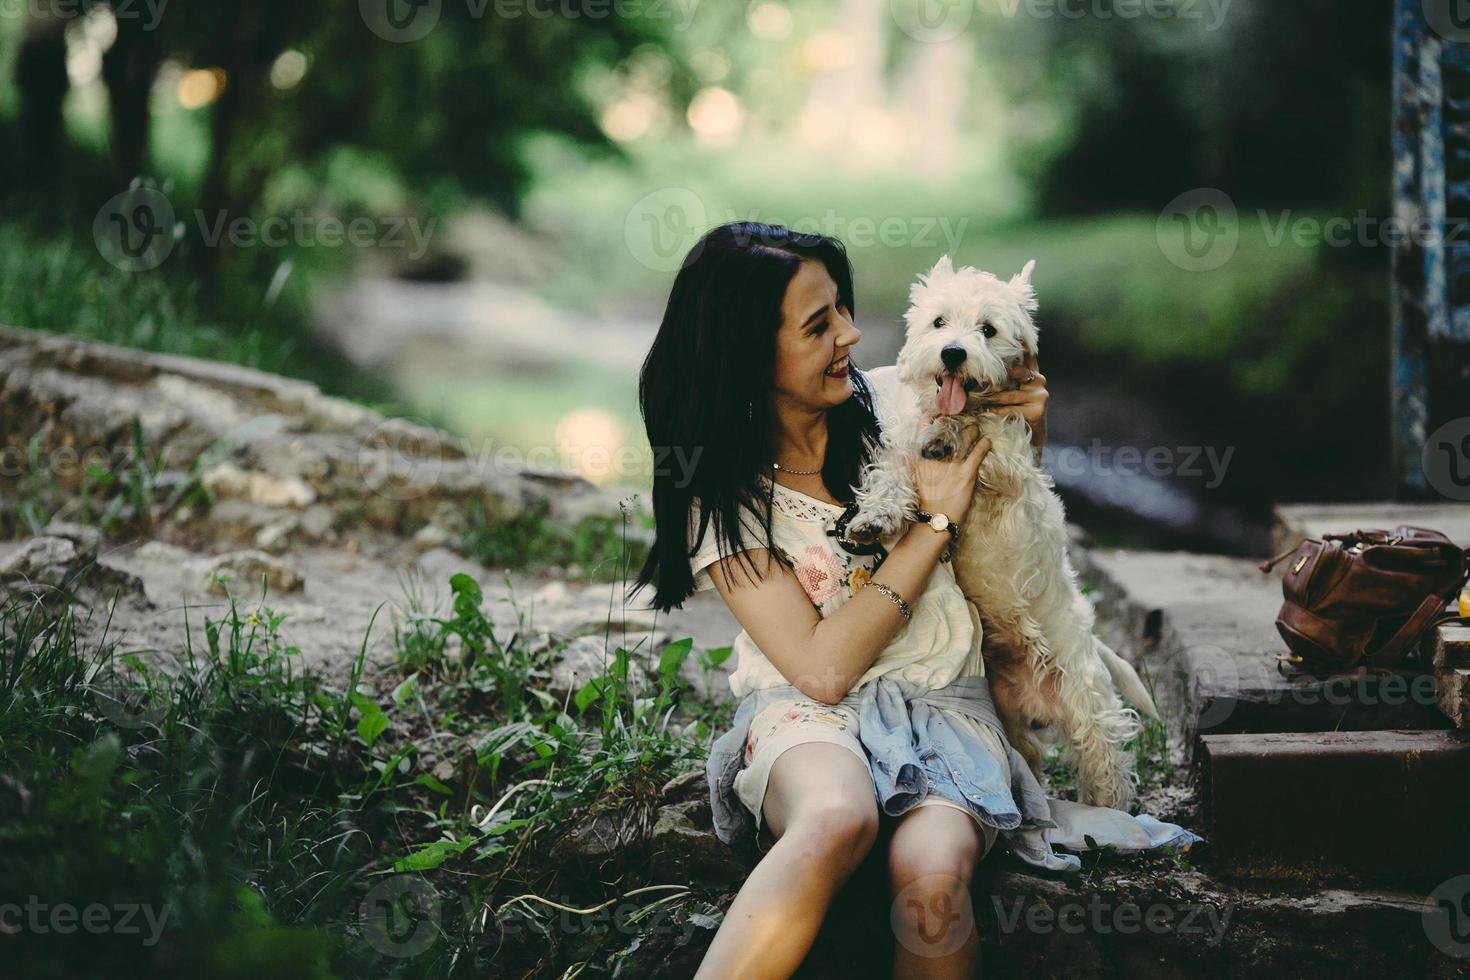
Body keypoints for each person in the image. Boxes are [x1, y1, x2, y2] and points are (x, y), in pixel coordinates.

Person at [628, 221, 1197, 979]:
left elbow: (1008, 479)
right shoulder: (725, 502)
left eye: (844, 310)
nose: (852, 335)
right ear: (747, 352)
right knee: (835, 816)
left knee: (932, 872)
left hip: (947, 701)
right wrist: (931, 525)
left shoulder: (905, 398)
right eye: (819, 324)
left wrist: (1031, 416)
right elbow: (822, 673)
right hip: (807, 713)